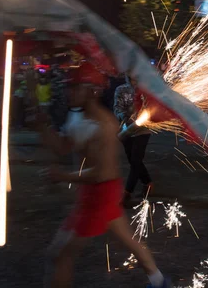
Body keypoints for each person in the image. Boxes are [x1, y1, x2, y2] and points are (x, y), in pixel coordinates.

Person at [38, 62, 170, 288]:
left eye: (76, 87)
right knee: (127, 240)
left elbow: (102, 172)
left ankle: (158, 280)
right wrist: (40, 124)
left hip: (100, 193)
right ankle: (158, 280)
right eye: (70, 87)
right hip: (93, 193)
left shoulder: (104, 125)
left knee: (60, 254)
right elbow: (62, 147)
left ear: (92, 91)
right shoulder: (76, 116)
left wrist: (63, 176)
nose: (70, 92)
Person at [114, 74, 153, 205]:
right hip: (127, 129)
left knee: (136, 159)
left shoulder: (146, 89)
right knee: (132, 160)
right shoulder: (121, 90)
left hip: (144, 128)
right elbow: (117, 108)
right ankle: (147, 182)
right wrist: (124, 117)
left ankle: (127, 193)